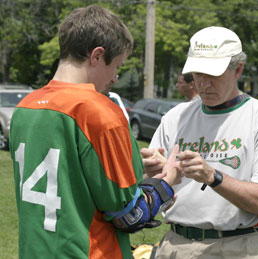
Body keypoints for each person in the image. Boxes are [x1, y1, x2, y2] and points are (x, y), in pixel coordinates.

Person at [9, 5, 182, 259]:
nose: (115, 78)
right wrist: (167, 181)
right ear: (97, 56)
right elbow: (129, 215)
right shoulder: (99, 111)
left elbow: (72, 176)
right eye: (117, 67)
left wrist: (135, 168)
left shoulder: (24, 108)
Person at [141, 26, 258, 258]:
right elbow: (148, 188)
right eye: (198, 74)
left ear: (237, 70)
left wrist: (213, 177)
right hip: (174, 244)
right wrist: (152, 174)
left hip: (235, 247)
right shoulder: (175, 117)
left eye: (213, 74)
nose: (204, 83)